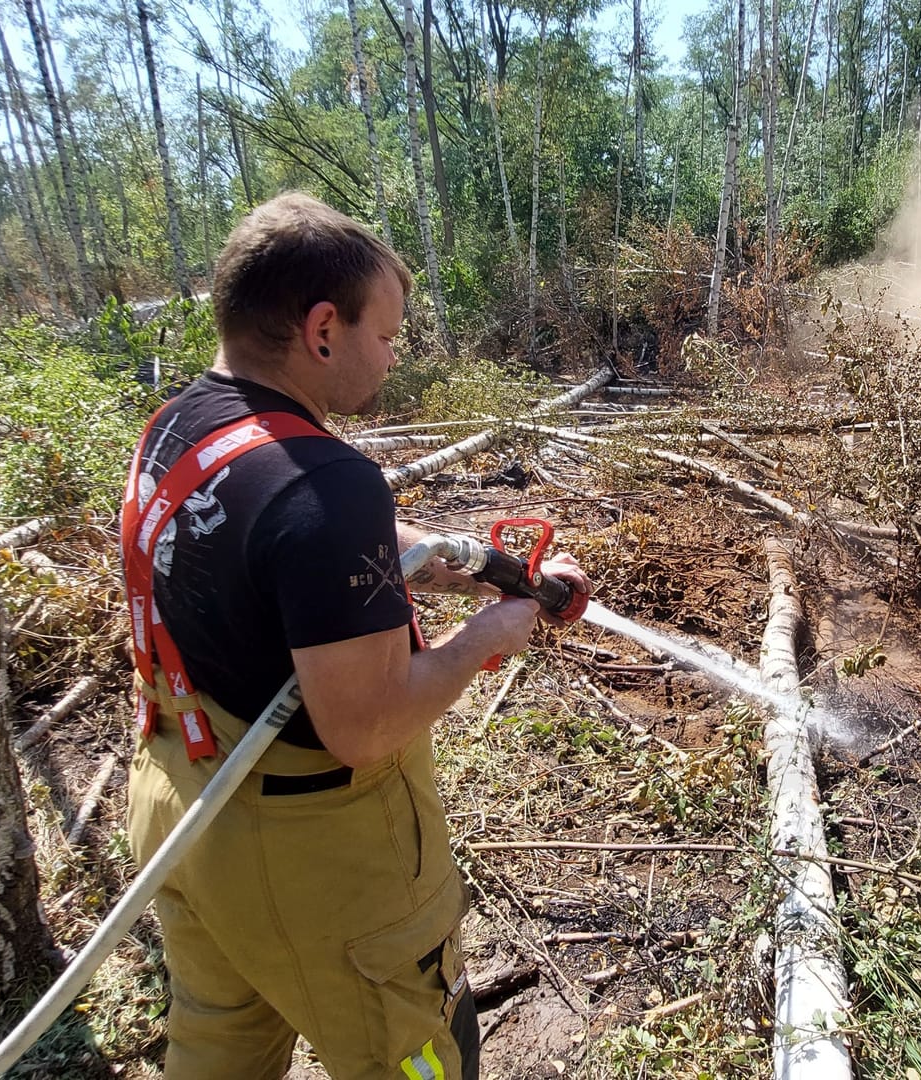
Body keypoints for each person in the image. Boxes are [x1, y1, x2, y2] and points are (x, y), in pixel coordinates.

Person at [121, 191, 591, 1080]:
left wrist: (488, 566)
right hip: (316, 859)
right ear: (323, 328)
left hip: (183, 805)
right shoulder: (326, 487)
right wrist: (485, 636)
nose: (394, 354)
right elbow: (365, 725)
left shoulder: (188, 426)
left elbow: (304, 551)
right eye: (388, 333)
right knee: (412, 1061)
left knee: (223, 1042)